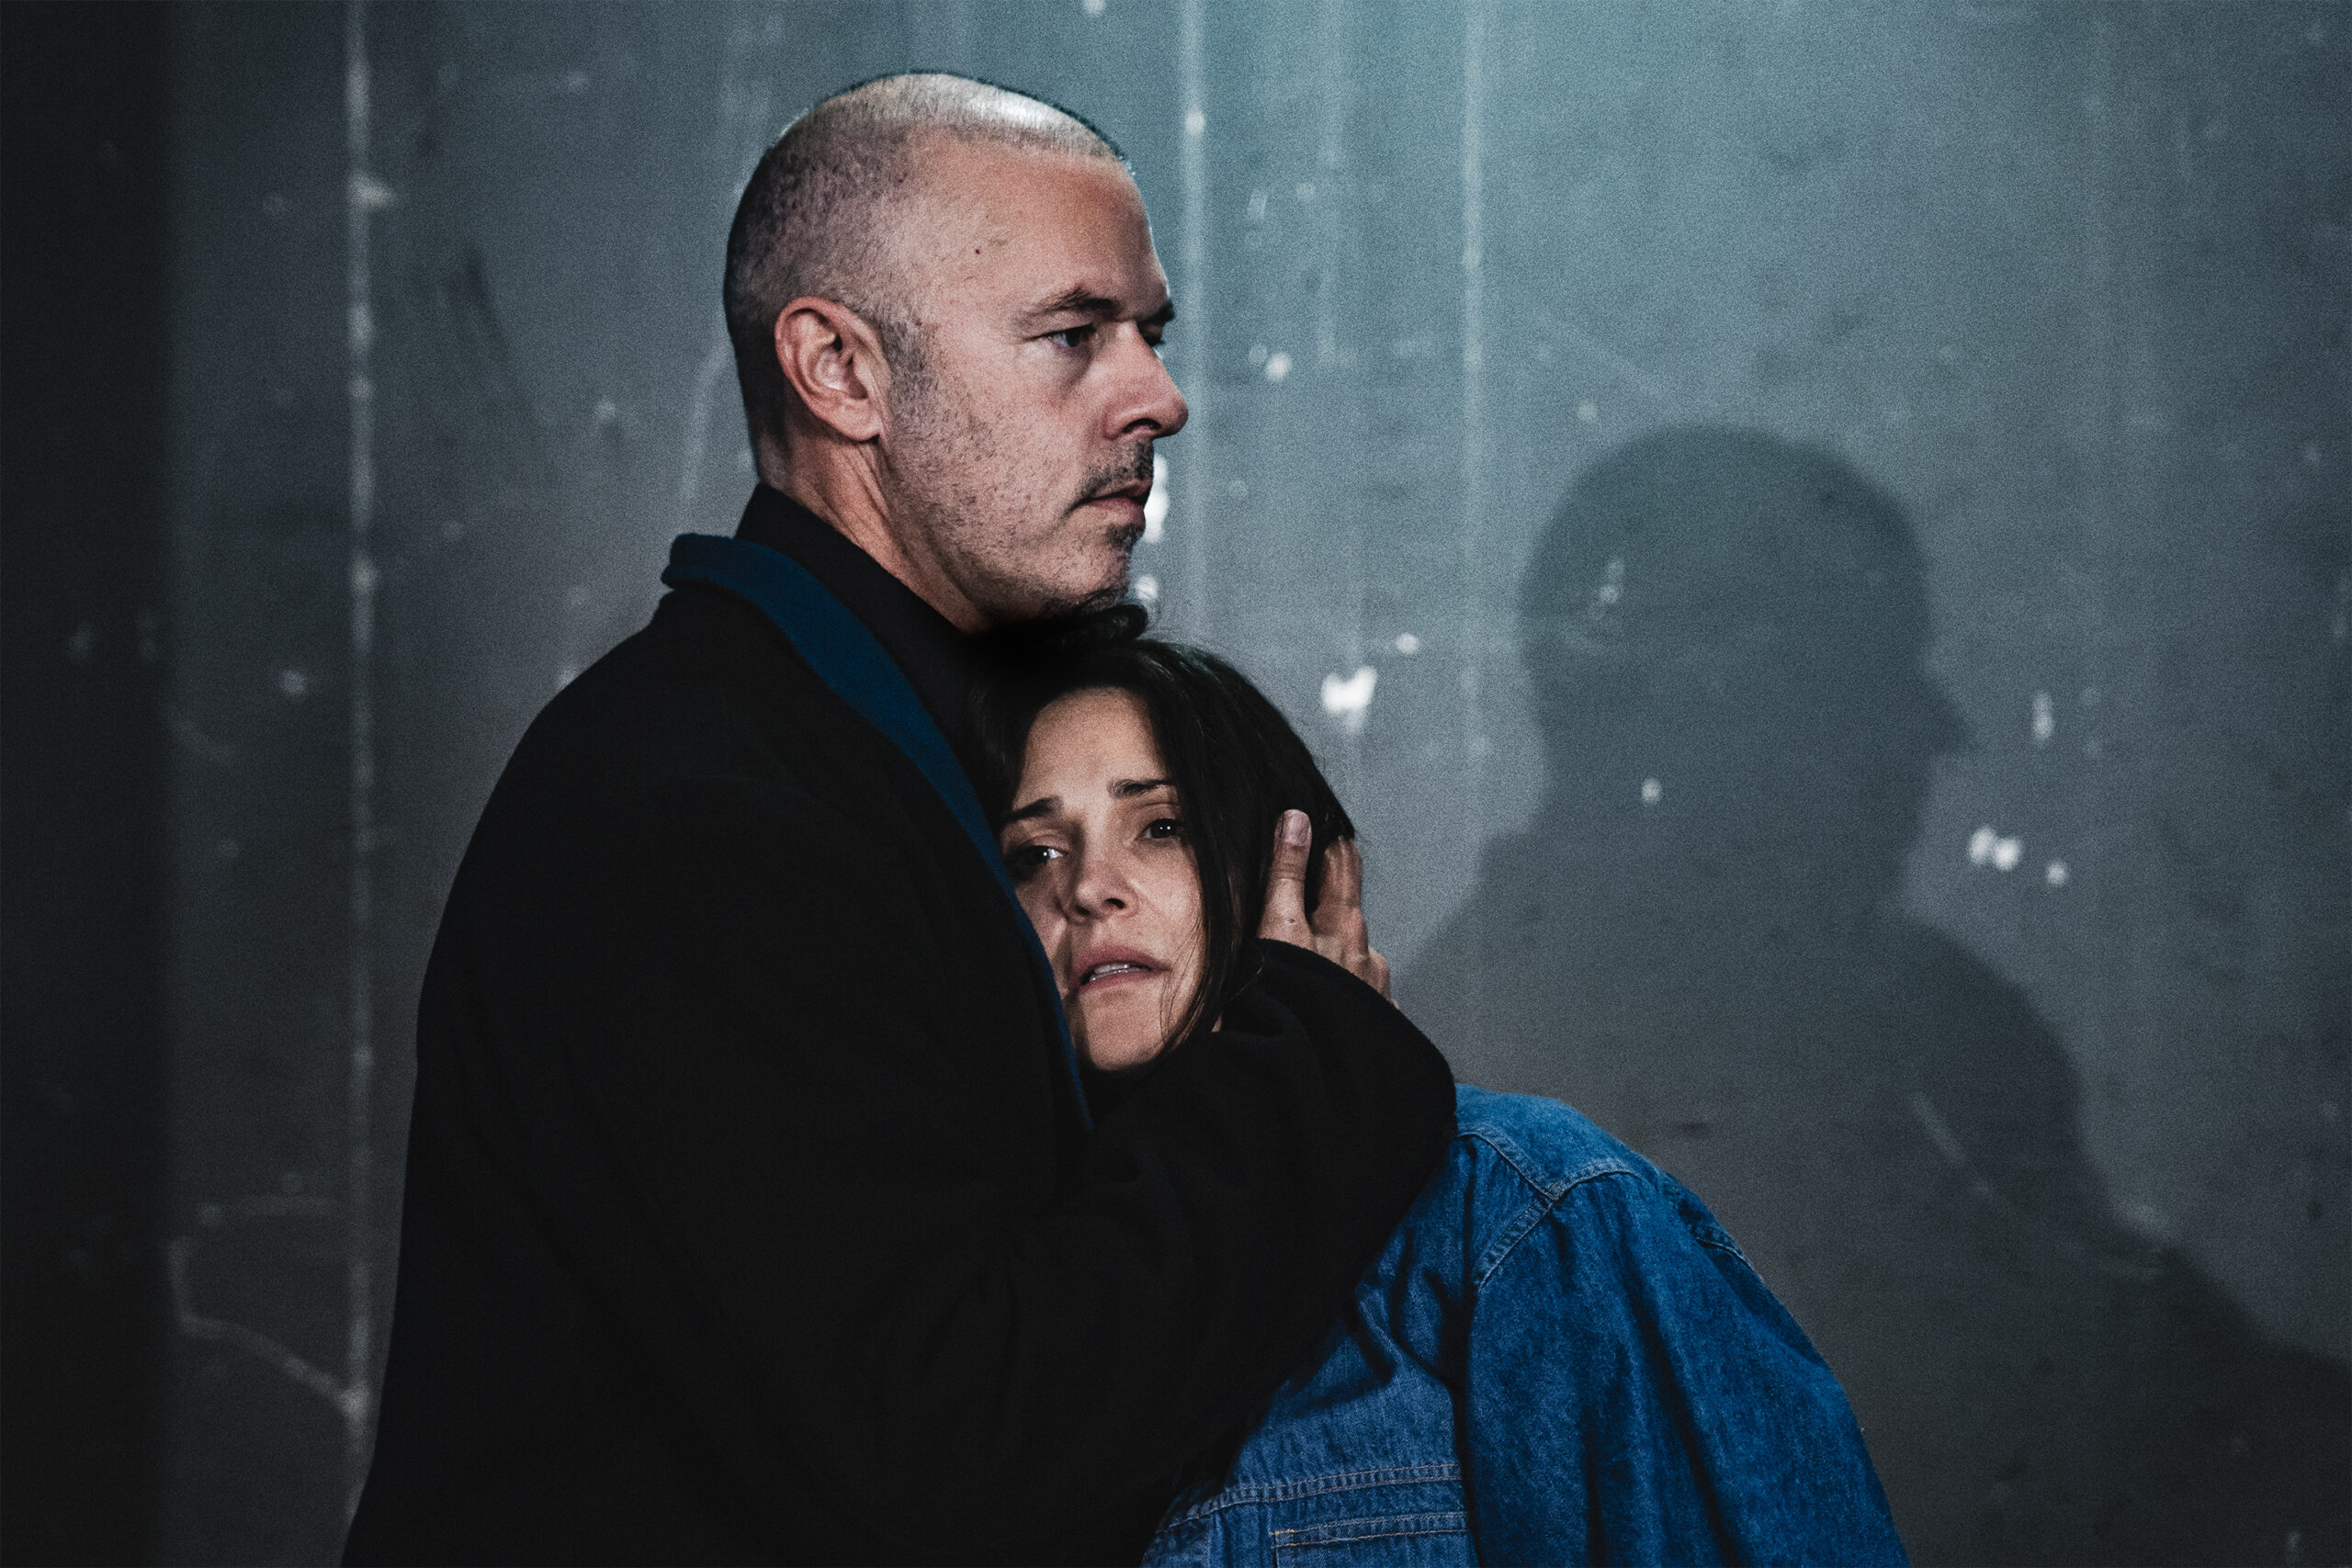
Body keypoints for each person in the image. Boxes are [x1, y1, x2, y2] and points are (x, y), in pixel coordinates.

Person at [345, 75, 1455, 1565]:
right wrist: (1312, 1064)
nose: (1157, 397)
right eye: (1075, 335)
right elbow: (948, 1441)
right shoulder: (699, 806)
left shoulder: (885, 751)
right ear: (841, 371)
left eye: (1152, 333)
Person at [977, 635, 1911, 1567]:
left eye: (1162, 827)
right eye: (1034, 853)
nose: (1086, 888)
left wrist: (1306, 1035)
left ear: (1298, 874)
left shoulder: (1525, 1208)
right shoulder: (989, 1288)